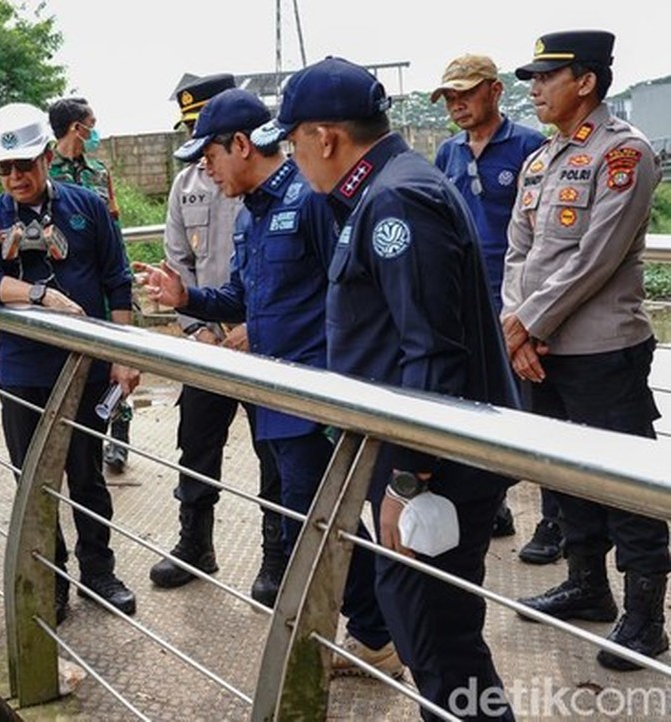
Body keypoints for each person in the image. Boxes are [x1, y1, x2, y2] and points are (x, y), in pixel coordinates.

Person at [253, 56, 518, 719]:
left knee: (438, 638)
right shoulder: (383, 190)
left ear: (324, 137)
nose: (294, 156)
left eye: (292, 141)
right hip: (418, 459)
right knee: (427, 630)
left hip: (434, 468)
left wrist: (408, 477)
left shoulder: (397, 199)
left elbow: (431, 351)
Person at [138, 87, 397, 678]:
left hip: (309, 397)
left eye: (210, 155)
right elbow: (244, 297)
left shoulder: (308, 201)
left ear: (240, 144)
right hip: (274, 397)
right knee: (310, 518)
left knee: (316, 522)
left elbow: (351, 290)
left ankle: (366, 634)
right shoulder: (253, 215)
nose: (206, 168)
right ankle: (373, 632)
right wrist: (187, 297)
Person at [504, 30, 668, 671]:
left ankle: (647, 616)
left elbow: (595, 258)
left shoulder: (623, 153)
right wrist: (515, 322)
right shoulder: (541, 160)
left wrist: (526, 325)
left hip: (602, 352)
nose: (535, 89)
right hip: (541, 352)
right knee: (564, 473)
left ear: (586, 82)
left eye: (546, 77)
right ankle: (587, 584)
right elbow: (516, 252)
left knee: (624, 484)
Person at [0, 102, 140, 623]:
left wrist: (124, 353)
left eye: (23, 165)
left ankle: (99, 571)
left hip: (85, 369)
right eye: (5, 169)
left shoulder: (86, 207)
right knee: (34, 482)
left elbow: (117, 278)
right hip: (24, 373)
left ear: (46, 156)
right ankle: (52, 576)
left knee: (86, 477)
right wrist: (41, 296)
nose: (15, 177)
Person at [143, 72, 290, 611]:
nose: (204, 160)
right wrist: (197, 326)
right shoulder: (189, 185)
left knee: (274, 452)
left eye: (207, 143)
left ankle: (276, 556)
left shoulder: (281, 188)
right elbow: (178, 257)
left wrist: (255, 329)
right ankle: (194, 544)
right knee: (196, 444)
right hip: (208, 342)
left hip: (263, 344)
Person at [431, 54, 549, 551]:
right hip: (466, 301)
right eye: (450, 97)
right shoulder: (448, 154)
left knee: (535, 410)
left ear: (495, 91)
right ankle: (493, 500)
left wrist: (528, 312)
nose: (458, 105)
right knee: (477, 403)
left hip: (519, 299)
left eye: (467, 93)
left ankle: (554, 518)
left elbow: (543, 236)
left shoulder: (528, 146)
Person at [46, 96, 131, 473]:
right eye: (91, 123)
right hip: (68, 283)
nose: (95, 131)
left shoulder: (99, 171)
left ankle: (119, 436)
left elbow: (113, 222)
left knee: (120, 359)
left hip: (106, 278)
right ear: (74, 127)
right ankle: (77, 441)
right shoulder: (45, 170)